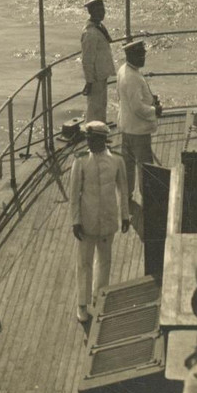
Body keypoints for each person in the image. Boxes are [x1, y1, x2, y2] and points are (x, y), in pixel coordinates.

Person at [69, 121, 129, 324]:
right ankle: (82, 304)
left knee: (105, 262)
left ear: (103, 139)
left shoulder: (117, 161)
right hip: (87, 220)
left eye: (92, 139)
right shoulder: (81, 160)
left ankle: (100, 299)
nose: (89, 142)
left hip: (108, 220)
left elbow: (123, 189)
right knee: (84, 263)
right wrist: (75, 221)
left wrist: (125, 216)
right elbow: (74, 193)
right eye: (87, 138)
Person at [116, 39, 161, 203]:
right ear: (130, 55)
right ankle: (148, 198)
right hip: (138, 131)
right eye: (140, 55)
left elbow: (124, 99)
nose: (143, 58)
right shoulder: (133, 77)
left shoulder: (123, 70)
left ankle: (126, 196)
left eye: (144, 54)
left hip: (126, 127)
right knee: (145, 167)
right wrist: (155, 111)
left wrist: (150, 99)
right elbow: (137, 108)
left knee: (127, 165)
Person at [81, 0, 115, 124]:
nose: (103, 13)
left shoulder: (99, 27)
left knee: (101, 106)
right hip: (95, 77)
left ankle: (100, 130)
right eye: (99, 10)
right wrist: (89, 81)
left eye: (103, 9)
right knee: (94, 109)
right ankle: (94, 134)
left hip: (101, 74)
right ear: (92, 12)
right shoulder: (90, 34)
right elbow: (87, 60)